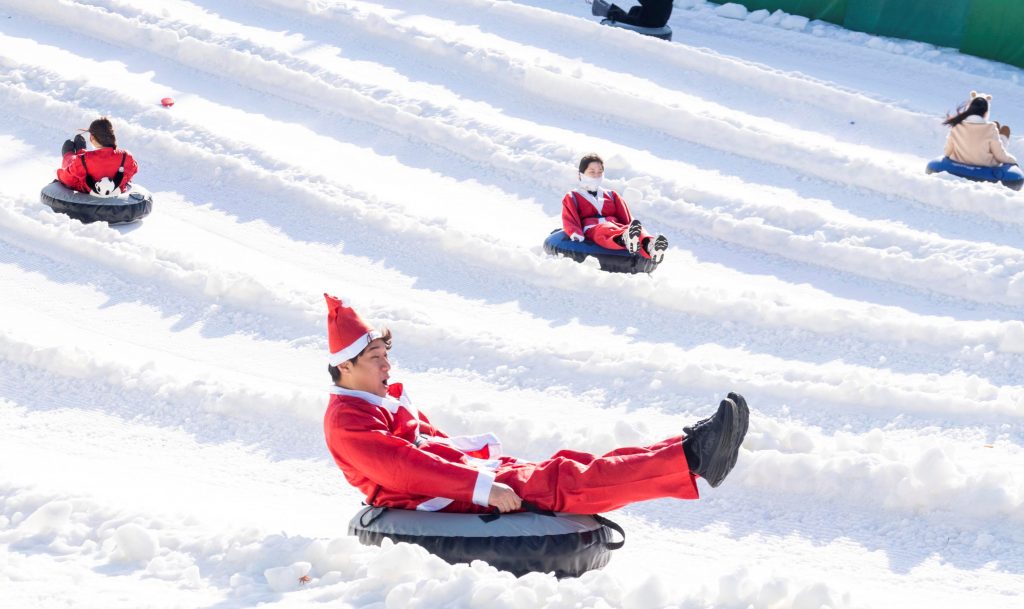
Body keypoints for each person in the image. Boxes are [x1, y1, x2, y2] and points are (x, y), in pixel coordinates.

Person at [322, 294, 749, 515]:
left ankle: (687, 449)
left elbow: (429, 441)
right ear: (346, 366)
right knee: (564, 481)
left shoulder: (380, 401)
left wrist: (480, 471)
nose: (388, 366)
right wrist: (485, 488)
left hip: (453, 479)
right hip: (429, 498)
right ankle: (692, 457)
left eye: (386, 355)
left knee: (569, 463)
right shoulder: (347, 421)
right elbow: (403, 468)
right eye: (377, 359)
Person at [561, 153, 668, 264]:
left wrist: (632, 228)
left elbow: (627, 218)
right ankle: (623, 239)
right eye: (592, 172)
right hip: (593, 228)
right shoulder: (573, 196)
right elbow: (569, 218)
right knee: (604, 229)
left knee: (637, 230)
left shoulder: (612, 195)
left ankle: (651, 246)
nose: (596, 175)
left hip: (616, 226)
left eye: (600, 172)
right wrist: (575, 233)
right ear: (581, 174)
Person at [56, 117, 139, 197]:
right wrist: (123, 181)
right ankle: (81, 151)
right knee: (82, 160)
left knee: (70, 153)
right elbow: (133, 170)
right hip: (115, 189)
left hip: (86, 184)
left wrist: (58, 174)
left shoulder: (83, 160)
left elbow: (68, 179)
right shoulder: (126, 156)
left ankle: (77, 151)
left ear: (92, 137)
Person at [943, 91, 1017, 168]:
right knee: (1005, 129)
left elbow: (947, 152)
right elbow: (1000, 156)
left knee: (996, 124)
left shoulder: (957, 124)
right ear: (986, 113)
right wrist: (1013, 161)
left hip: (959, 161)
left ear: (970, 109)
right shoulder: (991, 128)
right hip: (984, 164)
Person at [605, 0, 673, 28]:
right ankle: (626, 19)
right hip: (659, 20)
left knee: (615, 15)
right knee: (635, 9)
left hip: (647, 23)